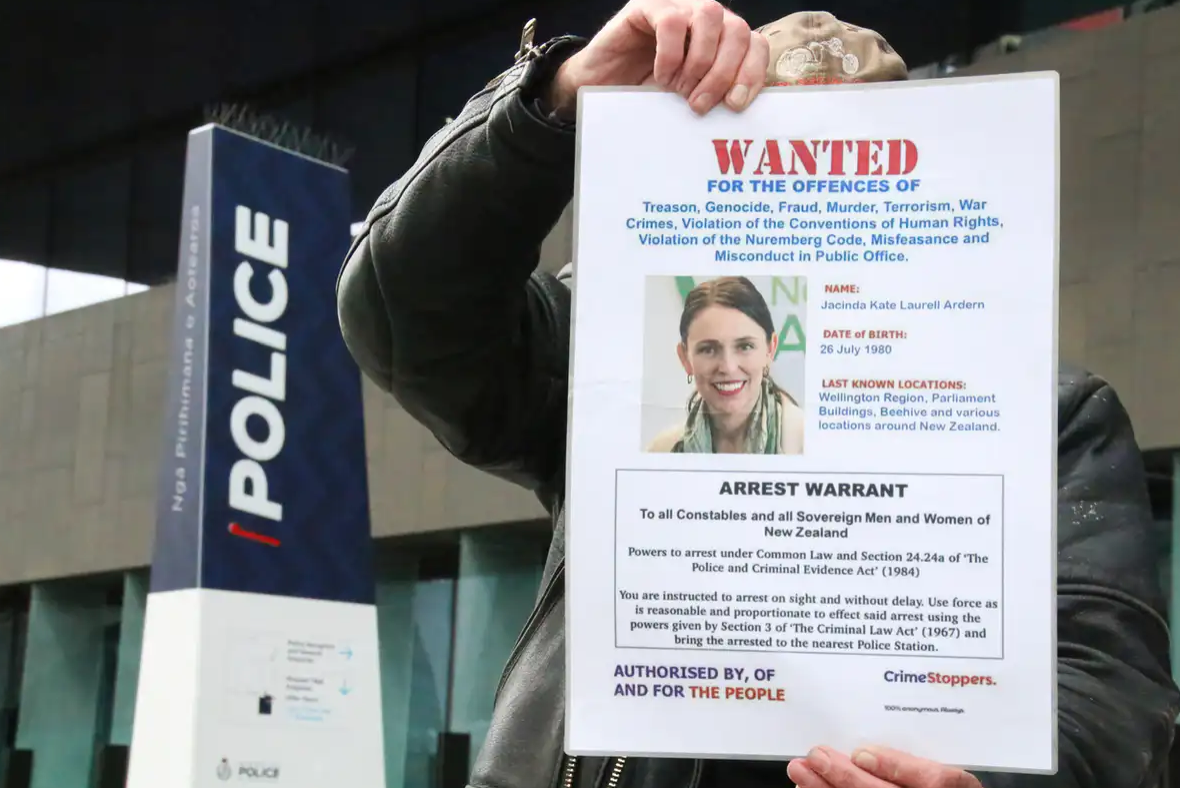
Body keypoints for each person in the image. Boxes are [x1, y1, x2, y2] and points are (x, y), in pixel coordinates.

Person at [336, 4, 1180, 788]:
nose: (798, 200)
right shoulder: (607, 370)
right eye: (750, 161)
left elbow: (1110, 694)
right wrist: (547, 111)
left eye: (839, 159)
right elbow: (404, 311)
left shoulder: (1044, 415)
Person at [648, 276, 805, 454]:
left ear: (770, 349)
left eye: (745, 346)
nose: (728, 367)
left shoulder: (810, 444)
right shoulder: (662, 450)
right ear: (685, 358)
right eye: (708, 350)